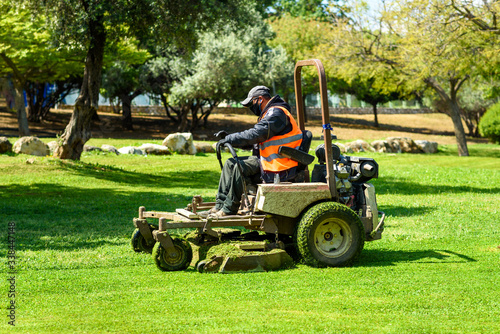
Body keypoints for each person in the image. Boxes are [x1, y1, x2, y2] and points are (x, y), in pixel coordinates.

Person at [203, 85, 303, 217]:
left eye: (251, 103)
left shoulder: (277, 113)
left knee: (240, 166)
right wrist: (229, 139)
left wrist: (231, 138)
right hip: (269, 162)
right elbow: (256, 141)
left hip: (281, 165)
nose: (251, 107)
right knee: (230, 163)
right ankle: (219, 205)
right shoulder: (269, 113)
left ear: (260, 99)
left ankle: (228, 210)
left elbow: (256, 134)